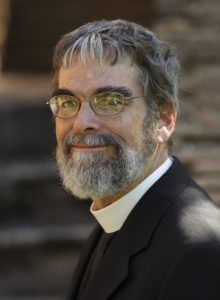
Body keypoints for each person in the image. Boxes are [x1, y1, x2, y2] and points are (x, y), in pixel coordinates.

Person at [47, 19, 220, 300]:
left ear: (163, 119)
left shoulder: (199, 253)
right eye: (68, 102)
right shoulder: (116, 217)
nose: (81, 123)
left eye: (110, 101)